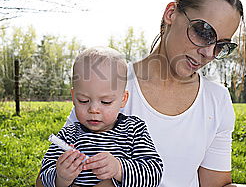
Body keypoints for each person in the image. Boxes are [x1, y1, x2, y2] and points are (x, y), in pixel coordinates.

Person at [37, 0, 246, 187]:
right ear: (171, 14)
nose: (209, 53)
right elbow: (45, 179)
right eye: (204, 32)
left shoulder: (217, 100)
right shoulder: (109, 87)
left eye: (221, 45)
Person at [39, 47, 163, 187]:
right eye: (83, 101)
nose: (93, 110)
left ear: (123, 99)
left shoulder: (134, 130)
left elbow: (154, 172)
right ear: (73, 97)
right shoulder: (68, 135)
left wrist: (119, 169)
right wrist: (60, 178)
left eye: (106, 102)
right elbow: (43, 176)